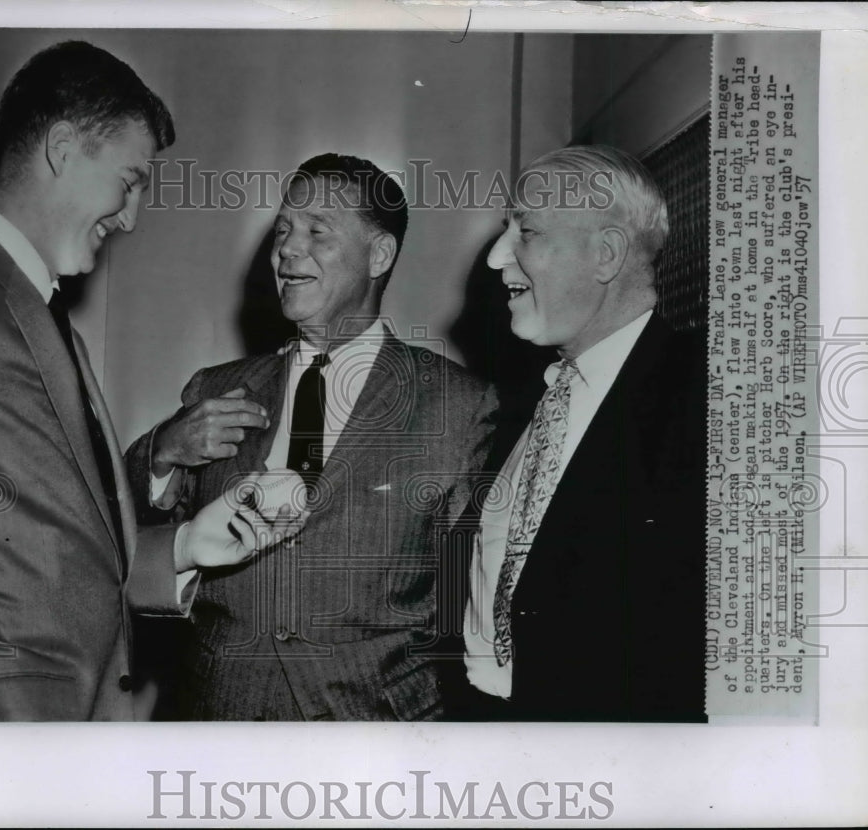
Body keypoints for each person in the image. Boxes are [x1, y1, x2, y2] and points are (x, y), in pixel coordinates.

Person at [0, 41, 283, 722]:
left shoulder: (44, 318)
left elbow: (59, 552)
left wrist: (186, 546)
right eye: (129, 182)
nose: (131, 217)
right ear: (64, 148)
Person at [125, 153, 497, 720]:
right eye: (282, 232)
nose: (287, 250)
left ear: (379, 255)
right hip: (221, 724)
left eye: (317, 232)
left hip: (372, 737)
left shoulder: (459, 405)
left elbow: (477, 601)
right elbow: (104, 539)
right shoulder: (216, 389)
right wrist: (163, 452)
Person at [445, 144, 707, 722]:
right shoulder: (518, 404)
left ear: (606, 254)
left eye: (527, 232)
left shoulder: (712, 399)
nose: (494, 259)